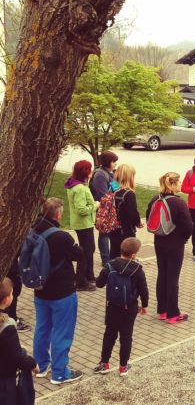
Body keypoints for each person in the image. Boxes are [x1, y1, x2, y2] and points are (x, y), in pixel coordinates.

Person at [32, 198, 84, 384]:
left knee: (42, 328)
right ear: (58, 214)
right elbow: (80, 255)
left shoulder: (32, 230)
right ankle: (60, 373)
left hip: (40, 289)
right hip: (62, 292)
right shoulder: (61, 237)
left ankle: (40, 365)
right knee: (61, 332)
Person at [94, 237, 149, 377]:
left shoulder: (110, 265)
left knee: (109, 334)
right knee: (126, 336)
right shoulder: (137, 269)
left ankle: (104, 364)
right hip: (130, 308)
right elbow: (144, 290)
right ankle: (123, 366)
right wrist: (144, 305)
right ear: (133, 255)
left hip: (112, 306)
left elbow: (99, 284)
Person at [147, 172, 194, 324]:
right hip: (175, 244)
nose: (181, 184)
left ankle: (162, 310)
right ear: (172, 184)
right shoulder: (179, 203)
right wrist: (184, 238)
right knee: (173, 278)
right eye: (179, 182)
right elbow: (188, 226)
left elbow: (149, 218)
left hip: (159, 242)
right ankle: (173, 314)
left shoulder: (155, 199)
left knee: (162, 274)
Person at [0, 278, 38, 405]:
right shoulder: (7, 326)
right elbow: (17, 356)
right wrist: (32, 364)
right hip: (4, 379)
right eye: (12, 293)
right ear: (6, 300)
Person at [65, 160, 99, 291]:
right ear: (85, 172)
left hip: (83, 223)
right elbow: (81, 209)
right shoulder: (79, 188)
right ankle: (80, 281)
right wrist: (95, 206)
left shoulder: (77, 184)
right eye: (90, 169)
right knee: (85, 252)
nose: (92, 171)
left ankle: (89, 276)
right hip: (83, 224)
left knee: (89, 249)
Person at [90, 151, 119, 266]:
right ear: (108, 162)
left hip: (111, 208)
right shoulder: (100, 175)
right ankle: (105, 259)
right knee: (104, 233)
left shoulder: (110, 173)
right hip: (104, 208)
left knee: (110, 233)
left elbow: (116, 188)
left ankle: (111, 257)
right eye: (114, 161)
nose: (115, 164)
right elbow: (103, 194)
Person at [109, 164, 143, 260]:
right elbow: (133, 214)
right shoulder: (129, 194)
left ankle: (112, 270)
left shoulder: (112, 191)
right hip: (126, 232)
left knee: (114, 255)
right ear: (130, 177)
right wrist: (139, 222)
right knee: (127, 258)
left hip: (113, 229)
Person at [5, 255, 31, 332]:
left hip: (8, 266)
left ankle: (9, 317)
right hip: (11, 268)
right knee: (12, 293)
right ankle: (12, 320)